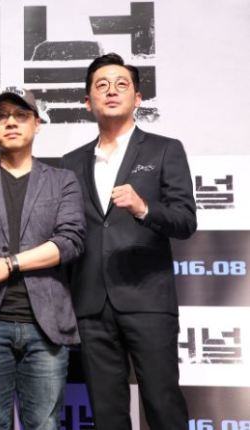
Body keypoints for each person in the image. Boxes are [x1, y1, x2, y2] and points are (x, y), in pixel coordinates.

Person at [61, 53, 197, 429]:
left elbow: (186, 221)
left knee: (162, 403)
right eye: (101, 85)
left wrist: (143, 208)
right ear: (88, 101)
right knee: (106, 413)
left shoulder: (164, 149)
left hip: (147, 299)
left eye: (122, 84)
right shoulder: (69, 162)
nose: (111, 91)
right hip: (90, 304)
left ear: (137, 98)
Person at [0, 87, 85, 429]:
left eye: (21, 115)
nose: (11, 122)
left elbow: (69, 242)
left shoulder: (62, 181)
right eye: (1, 117)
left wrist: (9, 264)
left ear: (37, 124)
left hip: (46, 326)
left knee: (45, 425)